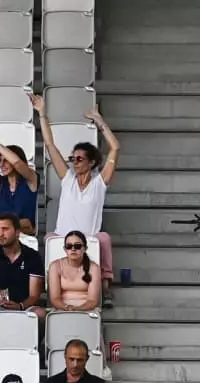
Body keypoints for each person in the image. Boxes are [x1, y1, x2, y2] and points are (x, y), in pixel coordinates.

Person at [34, 93, 120, 278]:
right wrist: (42, 113)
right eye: (73, 159)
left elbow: (115, 148)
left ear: (91, 162)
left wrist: (99, 120)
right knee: (49, 239)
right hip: (62, 239)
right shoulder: (68, 178)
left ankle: (105, 285)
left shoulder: (100, 182)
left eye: (80, 159)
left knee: (104, 238)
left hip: (89, 240)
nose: (75, 162)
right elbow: (50, 145)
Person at [0, 216, 43, 321]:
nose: (0, 234)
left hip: (24, 308)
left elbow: (34, 295)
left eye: (5, 229)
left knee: (40, 314)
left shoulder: (32, 256)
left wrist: (20, 306)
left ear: (17, 232)